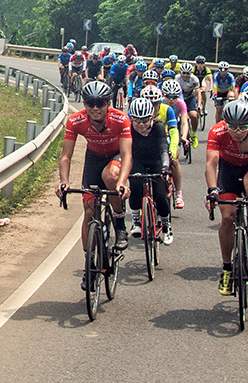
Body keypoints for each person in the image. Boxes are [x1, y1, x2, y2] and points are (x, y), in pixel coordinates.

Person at [205, 98, 248, 296]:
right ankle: (227, 269)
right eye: (232, 127)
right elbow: (211, 164)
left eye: (242, 127)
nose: (237, 131)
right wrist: (212, 190)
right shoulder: (217, 131)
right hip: (227, 170)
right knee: (227, 218)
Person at [55, 80, 132, 254]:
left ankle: (120, 224)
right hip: (94, 159)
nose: (95, 108)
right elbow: (66, 156)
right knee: (89, 211)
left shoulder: (121, 119)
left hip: (115, 156)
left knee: (111, 176)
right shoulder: (76, 121)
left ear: (108, 104)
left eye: (100, 103)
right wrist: (64, 181)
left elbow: (127, 155)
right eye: (91, 103)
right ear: (84, 104)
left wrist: (122, 182)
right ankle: (88, 263)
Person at [125, 96, 173, 244]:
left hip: (156, 161)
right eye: (137, 120)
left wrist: (165, 166)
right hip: (137, 160)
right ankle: (136, 222)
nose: (140, 124)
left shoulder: (158, 127)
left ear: (152, 117)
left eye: (144, 120)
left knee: (160, 193)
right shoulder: (128, 128)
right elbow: (124, 150)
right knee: (135, 185)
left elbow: (164, 148)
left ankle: (166, 226)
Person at [144, 83, 186, 207]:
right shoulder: (138, 108)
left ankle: (178, 193)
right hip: (147, 142)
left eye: (155, 103)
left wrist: (173, 149)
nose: (152, 107)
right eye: (149, 103)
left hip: (166, 139)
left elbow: (174, 131)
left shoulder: (167, 109)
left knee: (175, 160)